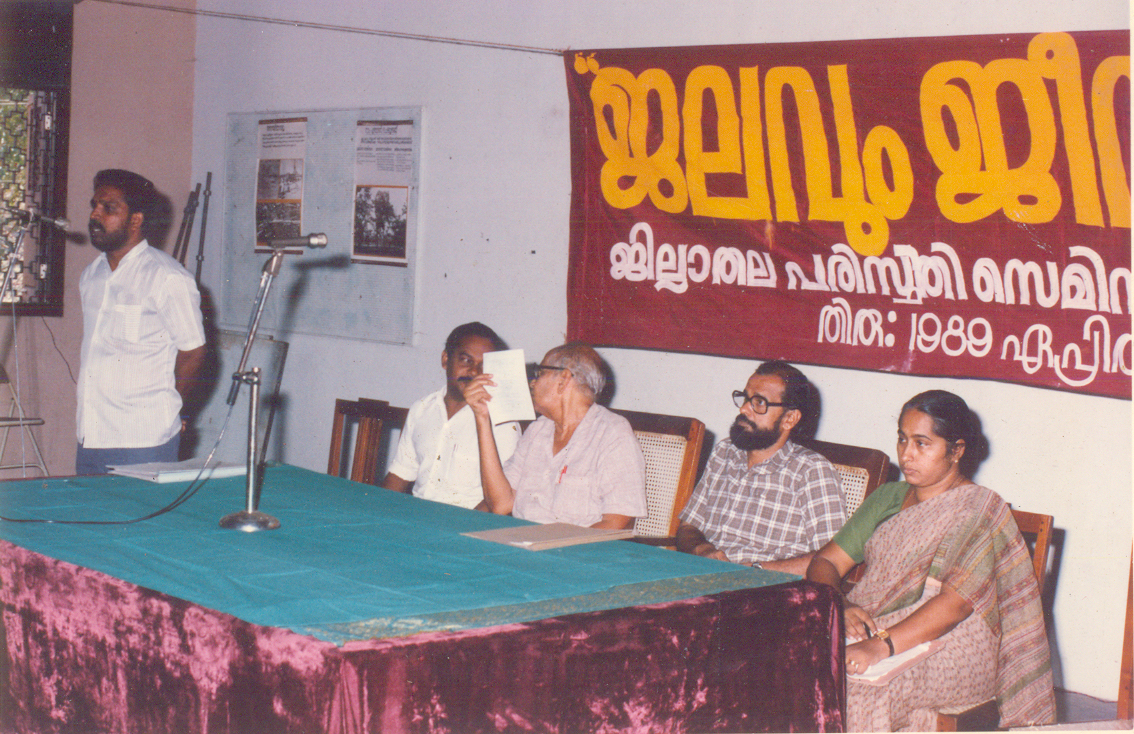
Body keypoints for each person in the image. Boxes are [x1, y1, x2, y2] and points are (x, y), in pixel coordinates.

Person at [805, 390, 1055, 731]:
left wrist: (880, 647)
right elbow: (826, 563)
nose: (907, 454)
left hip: (957, 644)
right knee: (789, 660)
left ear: (956, 450)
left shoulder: (978, 510)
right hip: (872, 625)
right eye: (902, 439)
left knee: (862, 690)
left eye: (922, 444)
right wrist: (840, 603)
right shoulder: (888, 497)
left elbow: (955, 605)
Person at [76, 169, 206, 475]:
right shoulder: (91, 275)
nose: (95, 215)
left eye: (109, 208)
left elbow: (193, 352)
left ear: (136, 220)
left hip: (143, 438)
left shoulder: (166, 277)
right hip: (90, 434)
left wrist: (174, 406)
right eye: (95, 205)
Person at [675, 360, 845, 575]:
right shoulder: (724, 452)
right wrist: (702, 549)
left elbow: (832, 558)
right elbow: (688, 526)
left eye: (759, 402)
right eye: (745, 398)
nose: (744, 409)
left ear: (789, 418)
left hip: (764, 586)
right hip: (702, 575)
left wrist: (754, 570)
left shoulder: (811, 471)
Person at [463, 343, 646, 529]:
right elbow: (501, 505)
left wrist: (557, 545)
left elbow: (615, 523)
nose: (532, 383)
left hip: (574, 545)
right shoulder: (537, 430)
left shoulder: (612, 432)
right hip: (520, 538)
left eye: (540, 373)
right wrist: (482, 417)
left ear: (563, 379)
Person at [382, 322, 520, 509]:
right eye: (466, 360)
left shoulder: (502, 422)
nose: (474, 372)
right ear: (445, 359)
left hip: (465, 520)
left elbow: (499, 500)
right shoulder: (422, 409)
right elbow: (400, 473)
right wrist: (376, 511)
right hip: (417, 515)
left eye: (484, 366)